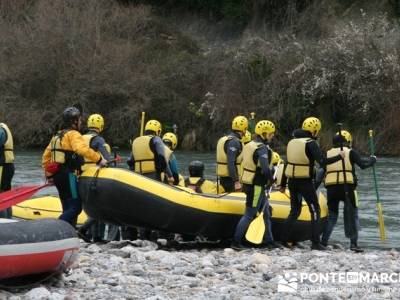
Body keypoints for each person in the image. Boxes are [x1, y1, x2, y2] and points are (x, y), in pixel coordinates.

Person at [280, 117, 344, 250]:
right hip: (305, 182)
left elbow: (286, 164)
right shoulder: (311, 143)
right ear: (313, 131)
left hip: (292, 181)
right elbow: (322, 161)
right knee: (315, 210)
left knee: (294, 211)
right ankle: (316, 243)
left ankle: (283, 240)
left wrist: (282, 184)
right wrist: (340, 156)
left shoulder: (292, 142)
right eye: (317, 131)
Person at [42, 107, 107, 227]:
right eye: (79, 120)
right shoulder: (73, 134)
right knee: (76, 208)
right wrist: (99, 159)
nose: (81, 122)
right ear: (74, 121)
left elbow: (46, 157)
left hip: (57, 177)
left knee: (67, 206)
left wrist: (49, 175)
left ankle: (67, 234)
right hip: (69, 175)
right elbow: (81, 149)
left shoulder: (56, 136)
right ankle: (54, 228)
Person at [319, 130, 376, 252]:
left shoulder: (327, 154)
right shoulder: (351, 152)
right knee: (352, 215)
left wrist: (314, 187)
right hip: (347, 188)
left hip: (332, 189)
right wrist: (372, 160)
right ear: (348, 142)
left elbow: (320, 173)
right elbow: (363, 165)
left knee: (332, 217)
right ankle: (353, 245)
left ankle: (323, 242)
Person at [232, 120, 280, 250]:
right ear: (264, 134)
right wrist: (271, 179)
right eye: (270, 134)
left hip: (248, 182)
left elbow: (239, 160)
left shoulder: (249, 145)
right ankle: (236, 242)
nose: (272, 136)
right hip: (256, 186)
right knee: (250, 214)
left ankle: (269, 241)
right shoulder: (262, 148)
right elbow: (265, 169)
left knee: (266, 213)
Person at [79, 114, 114, 243]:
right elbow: (107, 157)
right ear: (100, 126)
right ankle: (83, 229)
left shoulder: (81, 138)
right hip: (94, 177)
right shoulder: (98, 140)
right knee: (99, 207)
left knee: (91, 207)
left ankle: (96, 237)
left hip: (82, 176)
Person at [216, 116, 248, 192]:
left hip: (224, 178)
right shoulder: (234, 142)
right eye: (246, 129)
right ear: (243, 129)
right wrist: (236, 181)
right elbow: (231, 163)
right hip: (230, 180)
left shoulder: (225, 139)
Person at [0, 122, 14, 218]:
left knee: (1, 197)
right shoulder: (3, 127)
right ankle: (9, 220)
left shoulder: (0, 130)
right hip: (8, 166)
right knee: (7, 196)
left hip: (2, 167)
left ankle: (3, 224)